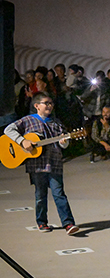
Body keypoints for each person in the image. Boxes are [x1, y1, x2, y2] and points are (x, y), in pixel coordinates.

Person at [4, 92, 79, 234]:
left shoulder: (56, 123)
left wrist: (64, 141)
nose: (49, 106)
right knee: (40, 195)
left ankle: (68, 223)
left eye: (51, 103)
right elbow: (9, 130)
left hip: (55, 163)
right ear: (37, 106)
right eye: (46, 103)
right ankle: (42, 222)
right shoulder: (27, 120)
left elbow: (64, 145)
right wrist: (22, 141)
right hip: (37, 165)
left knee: (59, 193)